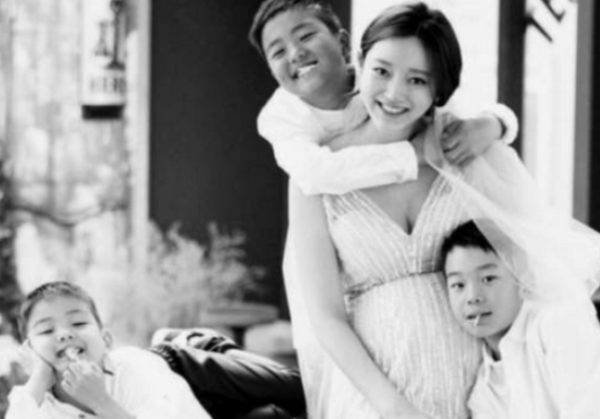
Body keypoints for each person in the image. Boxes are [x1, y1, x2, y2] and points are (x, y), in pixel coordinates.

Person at [286, 3, 494, 418]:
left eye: (417, 79)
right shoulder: (316, 171)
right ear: (360, 63)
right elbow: (325, 316)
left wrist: (497, 124)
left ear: (439, 90)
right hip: (373, 399)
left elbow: (519, 258)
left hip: (480, 392)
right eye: (382, 71)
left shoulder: (461, 148)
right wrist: (393, 407)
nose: (394, 93)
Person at [248, 0, 519, 196]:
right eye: (278, 52)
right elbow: (314, 174)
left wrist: (492, 123)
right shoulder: (280, 118)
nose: (295, 53)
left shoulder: (378, 78)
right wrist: (417, 153)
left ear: (343, 43)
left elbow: (471, 108)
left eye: (306, 36)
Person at [6, 281, 305, 419]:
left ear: (106, 340)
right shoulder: (41, 406)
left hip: (186, 371)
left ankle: (195, 341)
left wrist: (101, 402)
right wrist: (39, 378)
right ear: (29, 349)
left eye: (78, 323)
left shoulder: (133, 369)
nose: (64, 334)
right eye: (46, 330)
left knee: (300, 390)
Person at [442, 220, 600, 419]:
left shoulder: (558, 320)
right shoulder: (484, 388)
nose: (473, 296)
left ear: (520, 277)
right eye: (458, 285)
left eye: (488, 279)